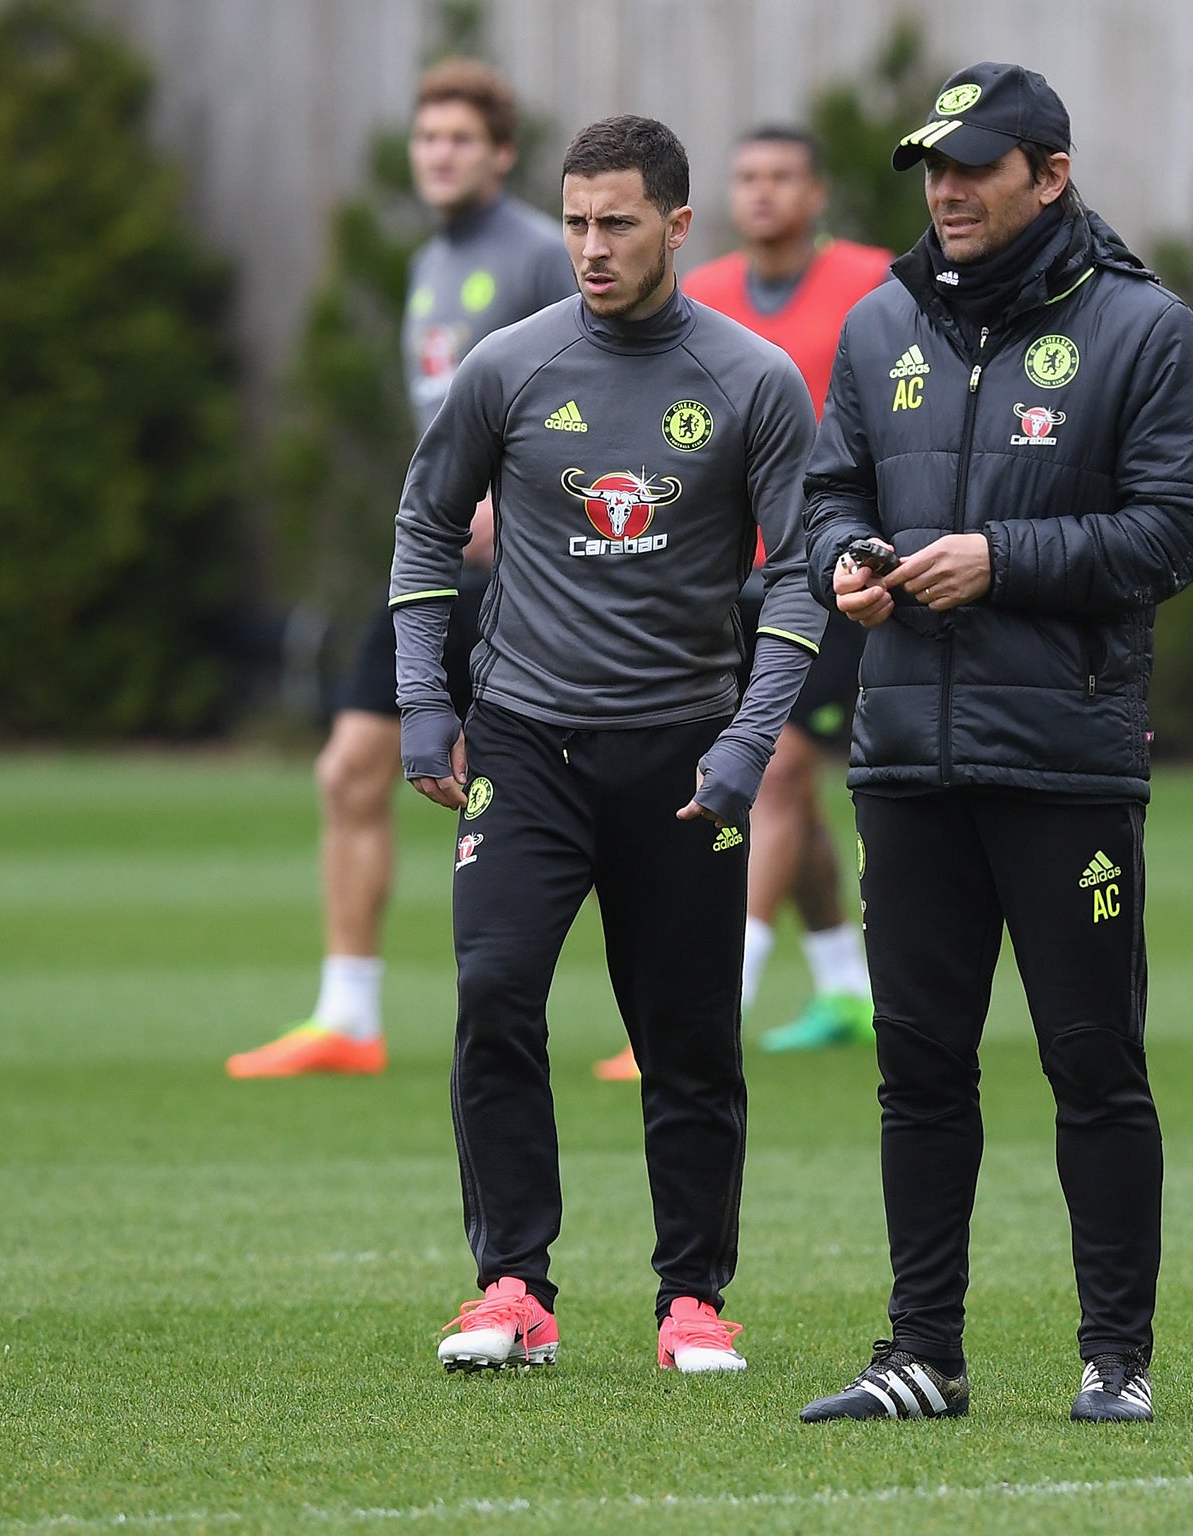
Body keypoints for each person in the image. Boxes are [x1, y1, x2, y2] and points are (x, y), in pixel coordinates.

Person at [795, 63, 1193, 1425]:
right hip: (907, 759)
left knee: (1091, 1061)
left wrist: (1002, 561)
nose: (946, 188)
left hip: (1066, 764)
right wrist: (843, 564)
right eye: (932, 164)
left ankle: (1116, 1356)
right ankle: (923, 1352)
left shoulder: (1146, 331)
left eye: (975, 164)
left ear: (1052, 173)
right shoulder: (877, 328)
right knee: (918, 1066)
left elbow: (1177, 531)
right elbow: (826, 498)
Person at [391, 114, 825, 1373]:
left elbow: (796, 574)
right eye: (575, 221)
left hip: (686, 756)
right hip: (524, 747)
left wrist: (749, 741)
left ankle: (690, 1298)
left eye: (617, 223)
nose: (589, 246)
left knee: (686, 1036)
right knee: (492, 995)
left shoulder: (749, 382)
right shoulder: (507, 367)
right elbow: (425, 531)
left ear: (679, 226)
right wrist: (430, 699)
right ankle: (511, 1285)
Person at [228, 59, 575, 1079]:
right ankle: (348, 1018)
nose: (440, 156)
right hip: (431, 568)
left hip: (530, 577)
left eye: (461, 140)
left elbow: (595, 397)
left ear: (500, 154)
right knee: (347, 770)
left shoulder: (542, 256)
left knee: (575, 790)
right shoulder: (429, 264)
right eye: (427, 140)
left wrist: (519, 507)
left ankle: (661, 1017)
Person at [592, 126, 891, 1080]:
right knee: (786, 790)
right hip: (726, 576)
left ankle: (714, 1007)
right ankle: (848, 985)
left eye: (782, 177)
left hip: (837, 568)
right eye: (747, 177)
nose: (762, 193)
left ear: (817, 193)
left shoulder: (874, 285)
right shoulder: (706, 294)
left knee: (773, 770)